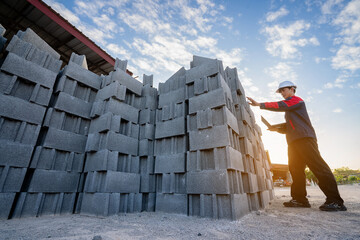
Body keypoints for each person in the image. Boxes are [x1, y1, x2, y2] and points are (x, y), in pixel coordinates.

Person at [247, 81, 346, 211]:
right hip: (293, 141)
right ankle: (300, 199)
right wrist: (275, 128)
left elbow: (280, 105)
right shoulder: (290, 109)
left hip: (304, 138)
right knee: (295, 170)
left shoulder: (296, 101)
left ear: (292, 89)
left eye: (284, 90)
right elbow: (290, 126)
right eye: (280, 91)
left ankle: (336, 201)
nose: (282, 93)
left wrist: (260, 104)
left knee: (318, 167)